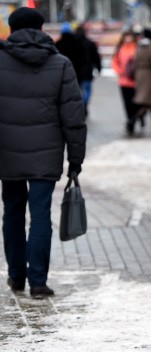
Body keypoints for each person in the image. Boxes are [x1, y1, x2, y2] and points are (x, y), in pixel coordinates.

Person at [0, 7, 86, 297]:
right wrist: (76, 159)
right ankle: (38, 281)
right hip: (46, 153)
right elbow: (74, 117)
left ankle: (16, 276)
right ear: (41, 29)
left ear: (11, 30)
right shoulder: (60, 64)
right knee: (40, 214)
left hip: (7, 152)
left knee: (12, 212)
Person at [133, 27, 151, 136]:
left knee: (146, 101)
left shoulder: (139, 46)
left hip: (140, 75)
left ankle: (137, 120)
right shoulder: (150, 47)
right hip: (149, 76)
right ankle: (134, 120)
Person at [112, 29, 138, 135]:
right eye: (126, 36)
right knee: (127, 103)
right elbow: (115, 62)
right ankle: (130, 121)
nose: (128, 38)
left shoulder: (136, 48)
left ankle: (134, 119)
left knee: (135, 103)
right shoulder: (120, 49)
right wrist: (120, 71)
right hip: (123, 81)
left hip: (135, 82)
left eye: (129, 36)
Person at [74, 23, 102, 117]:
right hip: (87, 72)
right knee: (87, 90)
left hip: (75, 73)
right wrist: (99, 68)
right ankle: (84, 104)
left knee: (77, 91)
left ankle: (80, 105)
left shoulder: (72, 43)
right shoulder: (90, 43)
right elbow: (96, 58)